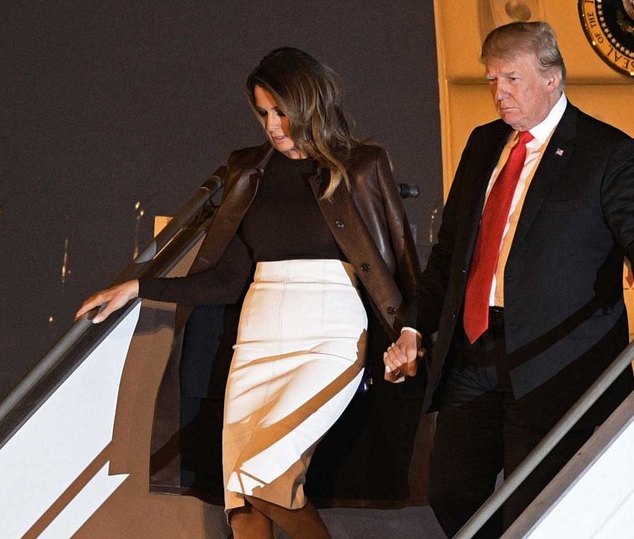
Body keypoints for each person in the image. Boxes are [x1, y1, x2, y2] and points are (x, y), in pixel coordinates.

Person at [78, 47, 423, 539]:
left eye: (282, 111)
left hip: (331, 334)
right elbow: (225, 280)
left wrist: (410, 330)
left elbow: (404, 264)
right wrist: (139, 286)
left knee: (264, 477)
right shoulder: (248, 169)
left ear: (311, 103)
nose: (273, 125)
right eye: (263, 113)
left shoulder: (362, 163)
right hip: (257, 336)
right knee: (241, 498)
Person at [384, 21, 634, 537]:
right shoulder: (483, 145)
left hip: (553, 360)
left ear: (552, 79)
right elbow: (451, 253)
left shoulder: (605, 151)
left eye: (512, 79)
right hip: (475, 350)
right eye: (492, 80)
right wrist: (414, 326)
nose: (499, 93)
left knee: (534, 501)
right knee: (450, 490)